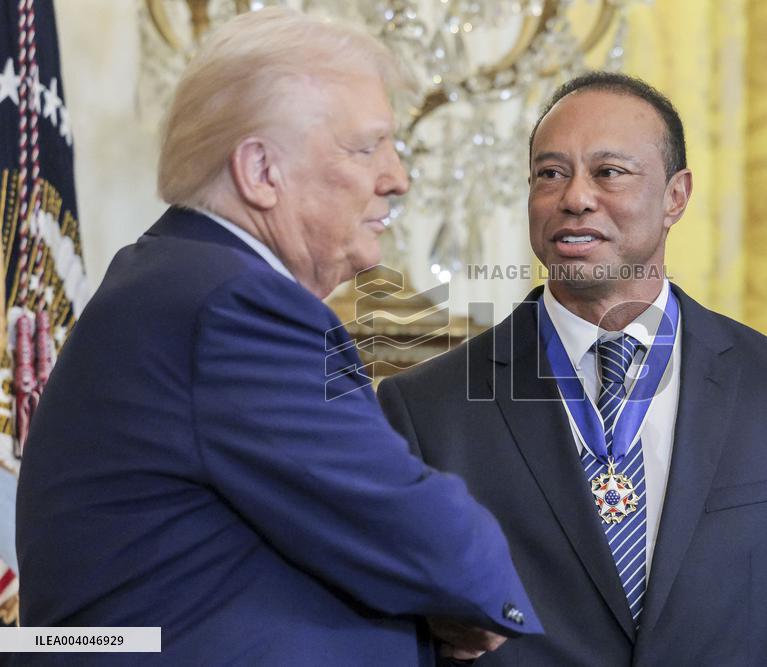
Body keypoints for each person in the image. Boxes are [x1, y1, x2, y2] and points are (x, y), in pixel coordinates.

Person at [15, 8, 540, 665]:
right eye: (365, 146)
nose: (396, 178)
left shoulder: (175, 284)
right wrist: (471, 595)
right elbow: (431, 538)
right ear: (261, 172)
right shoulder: (235, 305)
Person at [378, 71, 767, 665]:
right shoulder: (427, 408)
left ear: (675, 197)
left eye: (608, 172)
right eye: (550, 174)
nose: (575, 197)